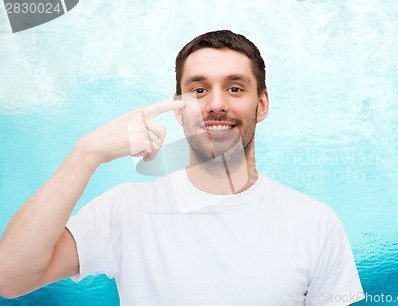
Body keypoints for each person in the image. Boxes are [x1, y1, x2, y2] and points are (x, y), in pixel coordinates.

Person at [0, 30, 364, 305]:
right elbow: (10, 277)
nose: (216, 104)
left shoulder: (315, 223)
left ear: (262, 104)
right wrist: (87, 152)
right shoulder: (126, 210)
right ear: (179, 107)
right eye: (199, 90)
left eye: (235, 88)